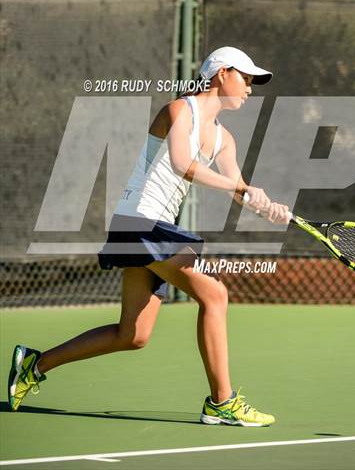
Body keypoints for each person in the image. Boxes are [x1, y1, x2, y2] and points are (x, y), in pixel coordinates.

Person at [8, 46, 289, 426]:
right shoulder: (178, 111)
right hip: (139, 222)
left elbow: (237, 187)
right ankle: (221, 402)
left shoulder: (224, 139)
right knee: (215, 293)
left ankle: (33, 365)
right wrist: (240, 189)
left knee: (133, 335)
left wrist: (264, 203)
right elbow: (182, 164)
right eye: (246, 77)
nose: (250, 87)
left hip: (153, 228)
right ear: (221, 73)